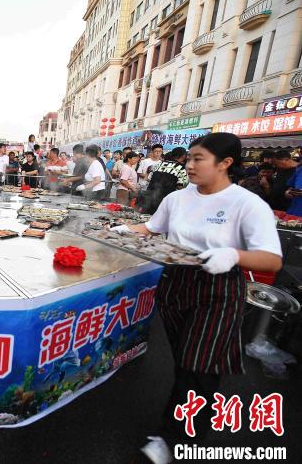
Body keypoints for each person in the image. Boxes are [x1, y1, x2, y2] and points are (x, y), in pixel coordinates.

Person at [113, 133, 282, 464]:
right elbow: (151, 229)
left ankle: (176, 439)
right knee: (185, 361)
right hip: (176, 282)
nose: (189, 165)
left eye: (198, 159)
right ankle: (183, 422)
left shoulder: (246, 203)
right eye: (188, 158)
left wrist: (234, 255)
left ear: (225, 163)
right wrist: (122, 231)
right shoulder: (178, 198)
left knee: (198, 366)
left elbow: (272, 259)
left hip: (217, 287)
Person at [137, 147, 189, 214]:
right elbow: (180, 187)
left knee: (146, 219)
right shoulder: (181, 169)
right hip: (166, 201)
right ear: (183, 156)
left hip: (149, 198)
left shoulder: (158, 164)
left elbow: (149, 178)